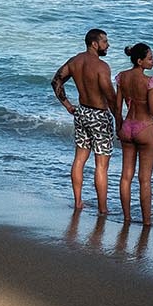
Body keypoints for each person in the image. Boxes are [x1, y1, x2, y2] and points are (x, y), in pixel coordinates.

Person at [50, 27, 118, 214]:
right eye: (105, 42)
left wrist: (68, 105)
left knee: (79, 159)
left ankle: (78, 202)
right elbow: (110, 97)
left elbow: (56, 81)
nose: (108, 45)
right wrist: (119, 121)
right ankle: (102, 209)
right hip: (99, 115)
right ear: (94, 44)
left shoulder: (75, 61)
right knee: (101, 165)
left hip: (82, 113)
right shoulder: (102, 67)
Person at [115, 41, 153, 225]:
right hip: (145, 128)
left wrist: (118, 127)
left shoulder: (121, 78)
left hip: (127, 127)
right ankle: (146, 222)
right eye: (150, 58)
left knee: (125, 176)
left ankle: (127, 218)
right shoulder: (150, 82)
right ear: (139, 61)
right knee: (144, 179)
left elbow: (117, 105)